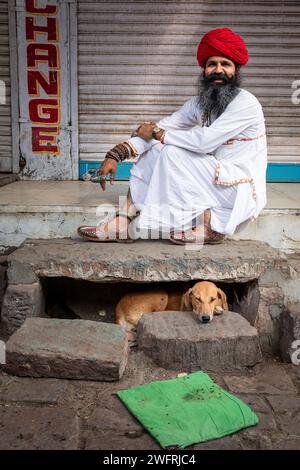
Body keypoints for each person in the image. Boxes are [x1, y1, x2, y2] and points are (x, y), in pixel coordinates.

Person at [78, 27, 267, 245]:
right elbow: (162, 128)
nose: (218, 70)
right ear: (204, 70)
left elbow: (203, 141)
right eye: (211, 64)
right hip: (215, 179)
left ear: (235, 71)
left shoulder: (246, 103)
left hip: (239, 190)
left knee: (169, 150)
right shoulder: (200, 103)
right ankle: (121, 222)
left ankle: (211, 225)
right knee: (158, 147)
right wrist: (116, 154)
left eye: (225, 64)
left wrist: (158, 133)